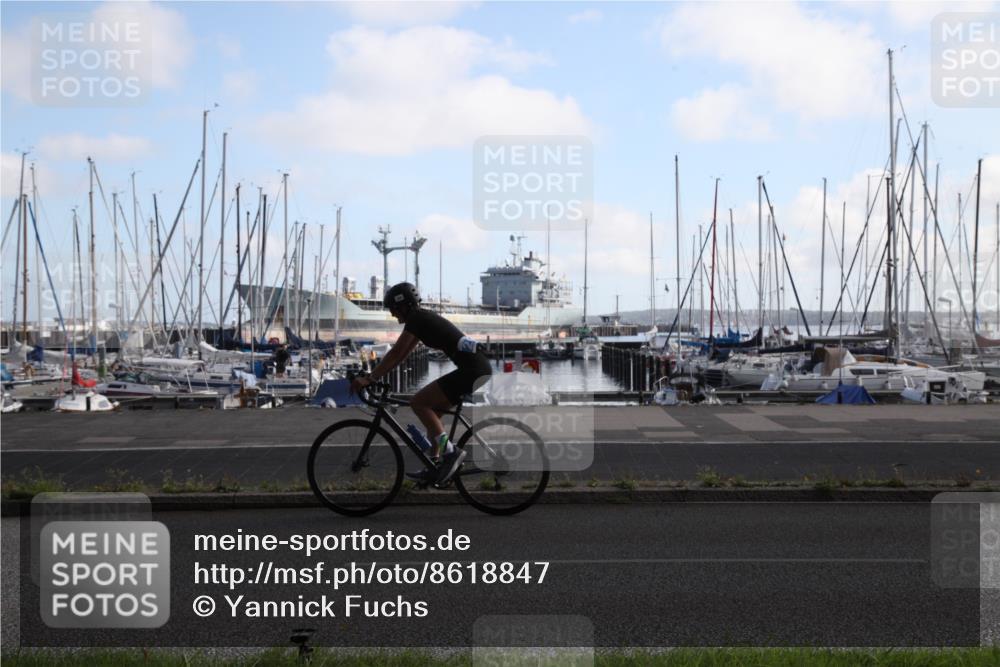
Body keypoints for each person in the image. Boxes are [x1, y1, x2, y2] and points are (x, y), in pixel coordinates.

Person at [351, 282, 491, 485]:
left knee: (419, 403)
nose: (392, 314)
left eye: (392, 309)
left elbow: (396, 352)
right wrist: (374, 375)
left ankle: (450, 453)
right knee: (433, 414)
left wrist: (370, 379)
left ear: (403, 306)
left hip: (472, 371)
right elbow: (401, 356)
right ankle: (433, 465)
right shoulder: (421, 319)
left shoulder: (417, 319)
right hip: (476, 369)